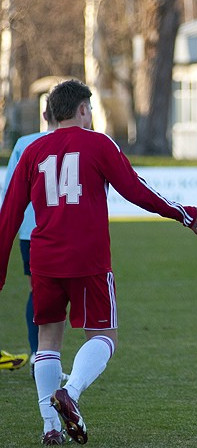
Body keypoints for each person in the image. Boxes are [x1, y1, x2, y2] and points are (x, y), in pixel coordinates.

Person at [0, 79, 197, 446]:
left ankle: (50, 427)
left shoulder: (34, 150)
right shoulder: (99, 143)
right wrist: (184, 213)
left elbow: (10, 213)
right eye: (91, 110)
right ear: (83, 109)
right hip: (89, 258)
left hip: (45, 259)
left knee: (48, 340)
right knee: (104, 336)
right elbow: (136, 190)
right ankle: (72, 392)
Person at [2, 106, 69, 381]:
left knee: (39, 291)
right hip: (68, 230)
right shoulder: (76, 142)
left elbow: (10, 191)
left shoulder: (25, 143)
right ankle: (49, 356)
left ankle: (38, 354)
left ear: (44, 116)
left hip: (32, 230)